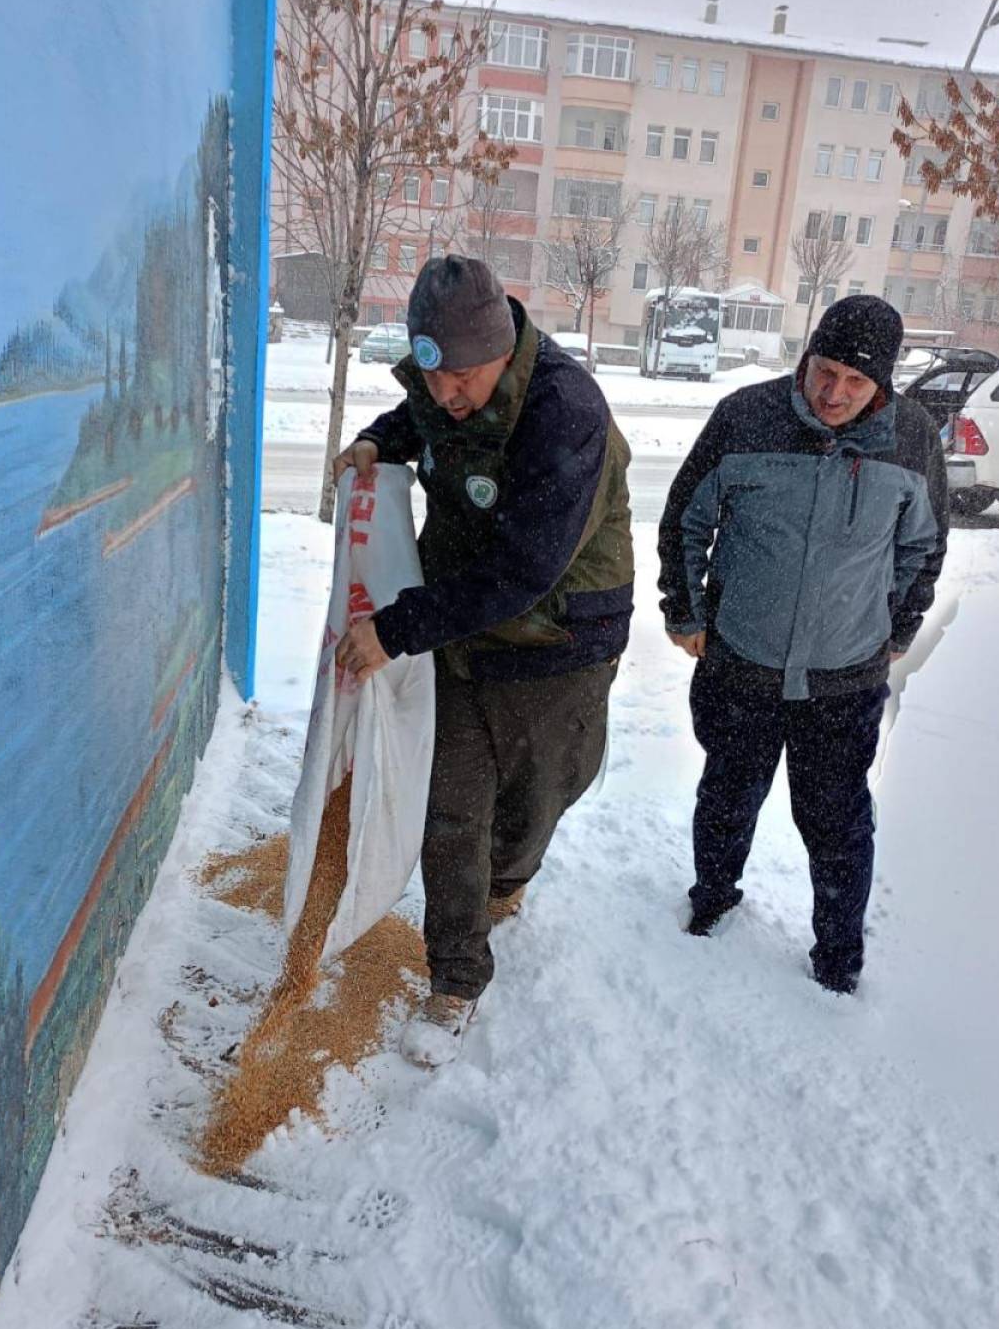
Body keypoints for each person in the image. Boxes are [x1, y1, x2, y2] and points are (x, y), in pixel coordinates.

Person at [334, 256, 634, 1064]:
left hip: (564, 634)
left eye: (465, 377)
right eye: (436, 377)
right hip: (464, 624)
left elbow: (523, 570)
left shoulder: (565, 413)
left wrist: (397, 628)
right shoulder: (441, 388)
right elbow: (418, 418)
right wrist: (376, 441)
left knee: (540, 796)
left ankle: (511, 877)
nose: (448, 395)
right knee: (452, 805)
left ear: (504, 347)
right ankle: (456, 975)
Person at [657, 295, 947, 994]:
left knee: (838, 821)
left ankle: (838, 957)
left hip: (844, 676)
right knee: (728, 792)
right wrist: (687, 611)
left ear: (883, 386)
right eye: (825, 372)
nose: (834, 393)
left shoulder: (912, 438)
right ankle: (713, 897)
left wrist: (895, 629)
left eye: (856, 382)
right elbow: (685, 521)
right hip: (742, 659)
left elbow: (924, 549)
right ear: (807, 357)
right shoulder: (745, 416)